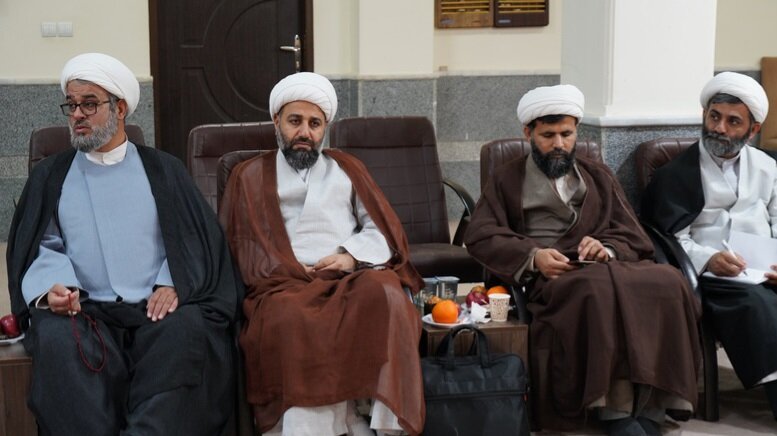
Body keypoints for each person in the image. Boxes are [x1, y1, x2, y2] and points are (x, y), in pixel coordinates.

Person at [6, 53, 241, 435]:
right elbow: (42, 243)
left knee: (191, 331)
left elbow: (192, 240)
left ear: (119, 109)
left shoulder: (163, 169)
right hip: (85, 311)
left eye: (89, 104)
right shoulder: (52, 175)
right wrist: (54, 290)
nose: (77, 115)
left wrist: (173, 282)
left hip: (156, 308)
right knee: (54, 338)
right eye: (71, 105)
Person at [465, 84, 702, 435]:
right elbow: (481, 234)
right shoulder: (507, 179)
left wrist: (607, 247)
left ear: (577, 132)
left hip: (606, 266)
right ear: (528, 133)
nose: (559, 144)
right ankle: (614, 411)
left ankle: (654, 405)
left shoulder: (598, 175)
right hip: (554, 276)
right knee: (597, 291)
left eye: (567, 134)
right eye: (548, 136)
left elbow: (632, 232)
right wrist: (534, 256)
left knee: (667, 281)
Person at [219, 72, 424, 436]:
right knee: (289, 316)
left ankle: (385, 425)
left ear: (324, 128)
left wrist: (350, 256)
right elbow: (239, 242)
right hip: (282, 282)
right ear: (276, 122)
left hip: (348, 275)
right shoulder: (248, 175)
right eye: (295, 121)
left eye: (314, 124)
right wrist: (284, 266)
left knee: (387, 294)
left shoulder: (347, 168)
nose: (305, 132)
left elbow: (381, 229)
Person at [642, 71, 777, 420]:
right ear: (704, 115)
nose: (720, 128)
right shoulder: (675, 174)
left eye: (733, 122)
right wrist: (709, 258)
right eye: (714, 117)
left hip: (767, 269)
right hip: (718, 277)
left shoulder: (768, 167)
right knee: (757, 304)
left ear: (753, 129)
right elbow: (669, 237)